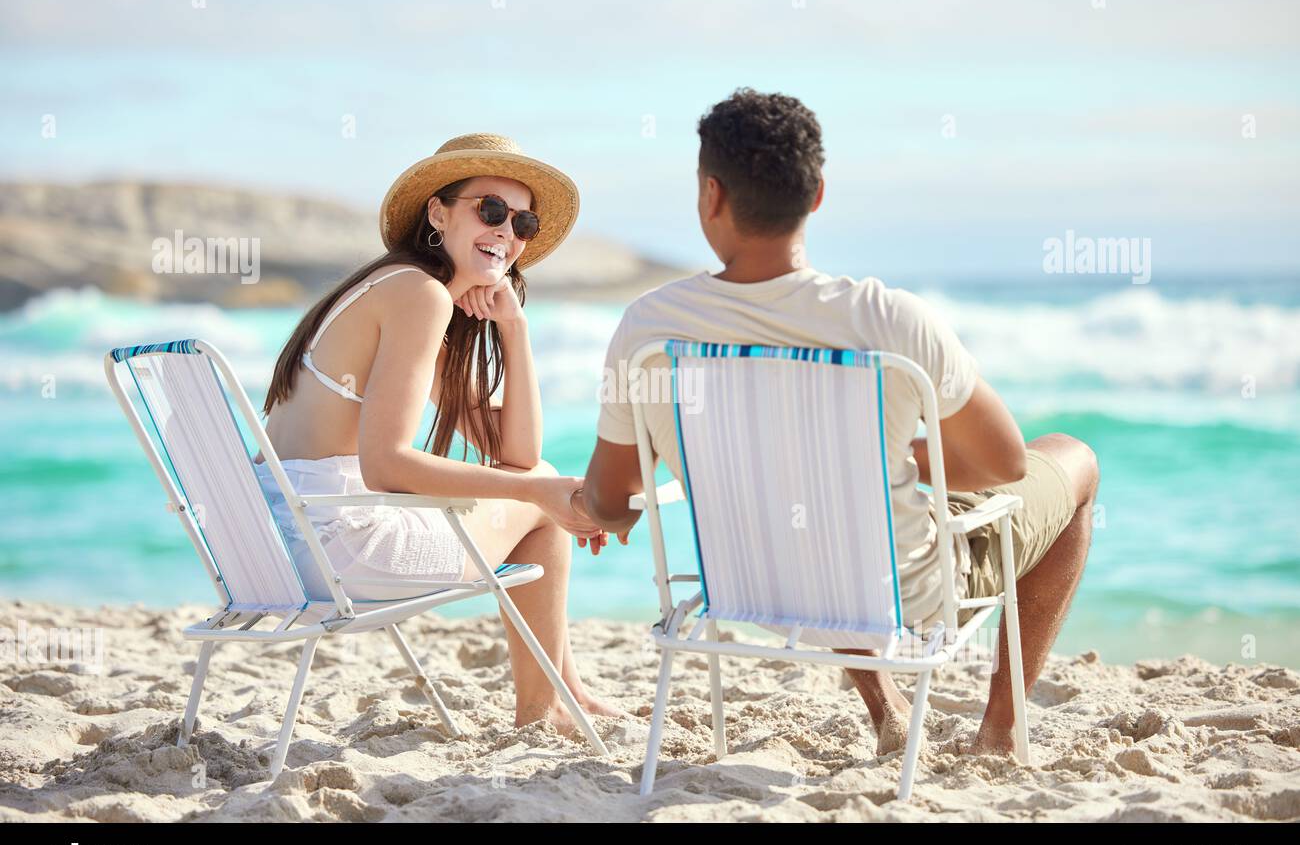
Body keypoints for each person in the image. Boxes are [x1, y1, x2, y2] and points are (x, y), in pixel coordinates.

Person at [581, 90, 1099, 757]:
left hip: (750, 585)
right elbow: (1007, 463)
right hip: (901, 598)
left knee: (820, 497)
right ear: (817, 193)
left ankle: (886, 706)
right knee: (1074, 459)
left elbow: (613, 499)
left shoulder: (648, 328)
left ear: (711, 195)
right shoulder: (886, 318)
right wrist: (903, 455)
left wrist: (601, 508)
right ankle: (999, 730)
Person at [253, 133, 622, 734]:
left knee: (540, 487)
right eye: (491, 209)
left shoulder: (410, 293)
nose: (507, 231)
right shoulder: (418, 296)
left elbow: (516, 454)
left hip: (277, 542)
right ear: (437, 211)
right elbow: (388, 467)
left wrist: (515, 329)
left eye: (521, 220)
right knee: (542, 493)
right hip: (330, 546)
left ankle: (561, 693)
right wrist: (538, 495)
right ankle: (547, 704)